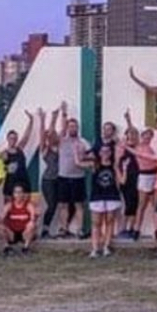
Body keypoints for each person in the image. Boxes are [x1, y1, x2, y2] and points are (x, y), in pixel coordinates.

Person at [55, 104, 91, 239]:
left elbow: (92, 159)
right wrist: (63, 113)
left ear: (78, 128)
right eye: (70, 126)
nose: (72, 129)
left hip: (78, 177)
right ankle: (63, 229)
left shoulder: (83, 142)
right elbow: (59, 131)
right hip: (63, 177)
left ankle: (79, 230)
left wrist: (83, 163)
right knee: (62, 204)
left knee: (79, 205)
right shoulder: (61, 141)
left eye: (74, 126)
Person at [83, 143, 123, 258]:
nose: (105, 154)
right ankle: (95, 248)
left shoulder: (114, 166)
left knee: (109, 222)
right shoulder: (95, 165)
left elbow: (119, 181)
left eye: (108, 151)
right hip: (97, 196)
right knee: (96, 223)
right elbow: (78, 162)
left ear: (111, 153)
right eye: (103, 151)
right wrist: (80, 151)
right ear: (99, 153)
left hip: (111, 196)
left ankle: (106, 247)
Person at [0, 112, 36, 209]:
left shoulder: (19, 148)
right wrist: (6, 167)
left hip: (23, 180)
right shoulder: (3, 153)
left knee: (25, 206)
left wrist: (31, 121)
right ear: (7, 139)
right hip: (10, 183)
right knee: (8, 207)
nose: (13, 140)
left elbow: (26, 136)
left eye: (15, 138)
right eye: (11, 138)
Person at [37, 108, 62, 238]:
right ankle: (45, 229)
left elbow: (59, 133)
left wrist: (57, 116)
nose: (53, 136)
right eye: (50, 135)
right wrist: (46, 119)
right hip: (48, 180)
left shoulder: (59, 147)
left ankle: (59, 229)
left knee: (59, 204)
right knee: (51, 205)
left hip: (59, 180)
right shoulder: (45, 149)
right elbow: (44, 134)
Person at [117, 127, 142, 240]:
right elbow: (116, 165)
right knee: (127, 205)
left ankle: (130, 228)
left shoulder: (138, 148)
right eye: (129, 134)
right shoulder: (121, 149)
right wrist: (120, 178)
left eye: (133, 134)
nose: (131, 137)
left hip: (136, 179)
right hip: (125, 180)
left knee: (135, 205)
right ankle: (122, 229)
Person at [0, 186, 37, 256]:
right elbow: (2, 216)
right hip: (12, 232)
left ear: (23, 194)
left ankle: (26, 247)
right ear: (13, 194)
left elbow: (33, 216)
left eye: (20, 192)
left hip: (24, 232)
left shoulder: (28, 205)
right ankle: (6, 247)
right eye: (16, 192)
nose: (18, 195)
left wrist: (32, 221)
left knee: (32, 225)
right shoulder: (9, 205)